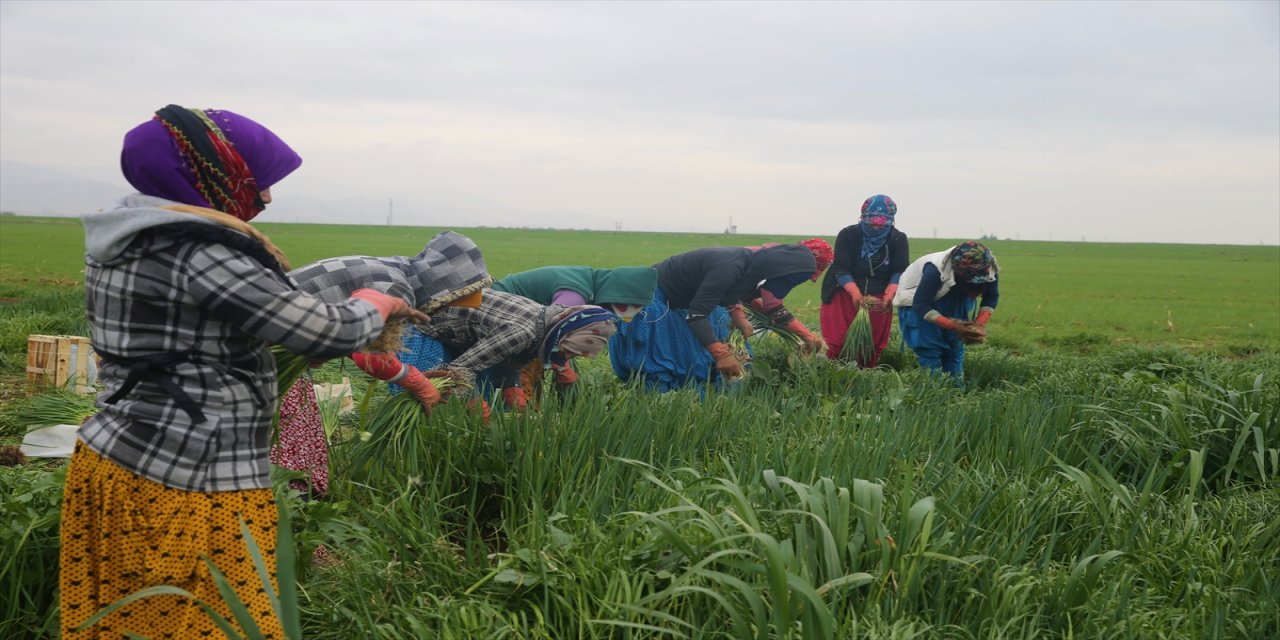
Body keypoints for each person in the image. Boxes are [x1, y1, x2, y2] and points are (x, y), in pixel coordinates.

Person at [61, 105, 429, 639]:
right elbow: (327, 332)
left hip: (120, 457)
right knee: (212, 625)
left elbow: (188, 335)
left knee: (128, 621)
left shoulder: (130, 237)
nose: (266, 197)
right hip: (186, 479)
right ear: (213, 174)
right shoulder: (198, 248)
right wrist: (374, 301)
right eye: (257, 180)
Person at [277, 231, 492, 495]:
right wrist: (416, 382)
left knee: (291, 429)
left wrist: (413, 375)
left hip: (278, 343)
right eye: (444, 304)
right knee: (294, 433)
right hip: (269, 346)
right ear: (441, 289)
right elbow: (369, 354)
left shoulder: (391, 271)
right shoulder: (394, 288)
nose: (437, 312)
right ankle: (293, 501)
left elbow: (349, 334)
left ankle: (290, 500)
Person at [610, 239, 833, 392]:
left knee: (706, 354)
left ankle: (702, 398)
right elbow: (697, 315)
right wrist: (720, 354)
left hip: (690, 302)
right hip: (660, 298)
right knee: (663, 361)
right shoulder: (731, 265)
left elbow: (732, 294)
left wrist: (739, 316)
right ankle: (661, 404)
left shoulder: (752, 267)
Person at [401, 289, 618, 410]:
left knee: (483, 390)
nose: (567, 357)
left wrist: (512, 384)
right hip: (425, 326)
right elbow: (458, 370)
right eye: (569, 350)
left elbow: (507, 354)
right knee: (424, 391)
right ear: (565, 333)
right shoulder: (523, 331)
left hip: (464, 339)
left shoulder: (547, 322)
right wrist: (471, 402)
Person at [490, 265, 657, 394]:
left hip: (521, 321)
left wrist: (560, 364)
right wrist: (561, 365)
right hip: (496, 317)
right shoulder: (574, 296)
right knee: (514, 376)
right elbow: (548, 332)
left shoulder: (591, 282)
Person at [819, 194, 910, 367]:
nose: (876, 227)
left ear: (891, 221)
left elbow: (899, 269)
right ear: (863, 217)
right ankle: (833, 376)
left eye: (881, 224)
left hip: (879, 296)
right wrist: (855, 294)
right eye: (871, 223)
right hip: (843, 291)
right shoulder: (849, 234)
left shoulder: (898, 239)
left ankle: (864, 379)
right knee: (836, 342)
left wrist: (889, 295)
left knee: (870, 346)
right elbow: (841, 267)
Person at [893, 241, 1000, 381]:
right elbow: (921, 305)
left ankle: (955, 393)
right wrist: (953, 325)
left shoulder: (988, 267)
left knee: (954, 347)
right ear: (959, 270)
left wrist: (978, 324)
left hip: (955, 298)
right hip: (917, 301)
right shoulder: (935, 269)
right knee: (929, 349)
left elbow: (991, 297)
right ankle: (933, 393)